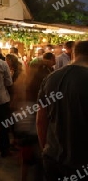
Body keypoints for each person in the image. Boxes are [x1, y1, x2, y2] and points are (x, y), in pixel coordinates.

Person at [37, 41, 88, 181]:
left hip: (52, 156)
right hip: (80, 161)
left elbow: (41, 120)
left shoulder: (50, 78)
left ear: (73, 54)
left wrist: (45, 150)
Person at [14, 52, 55, 181]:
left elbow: (15, 103)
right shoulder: (45, 82)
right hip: (36, 123)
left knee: (27, 158)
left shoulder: (24, 81)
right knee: (40, 159)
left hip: (25, 121)